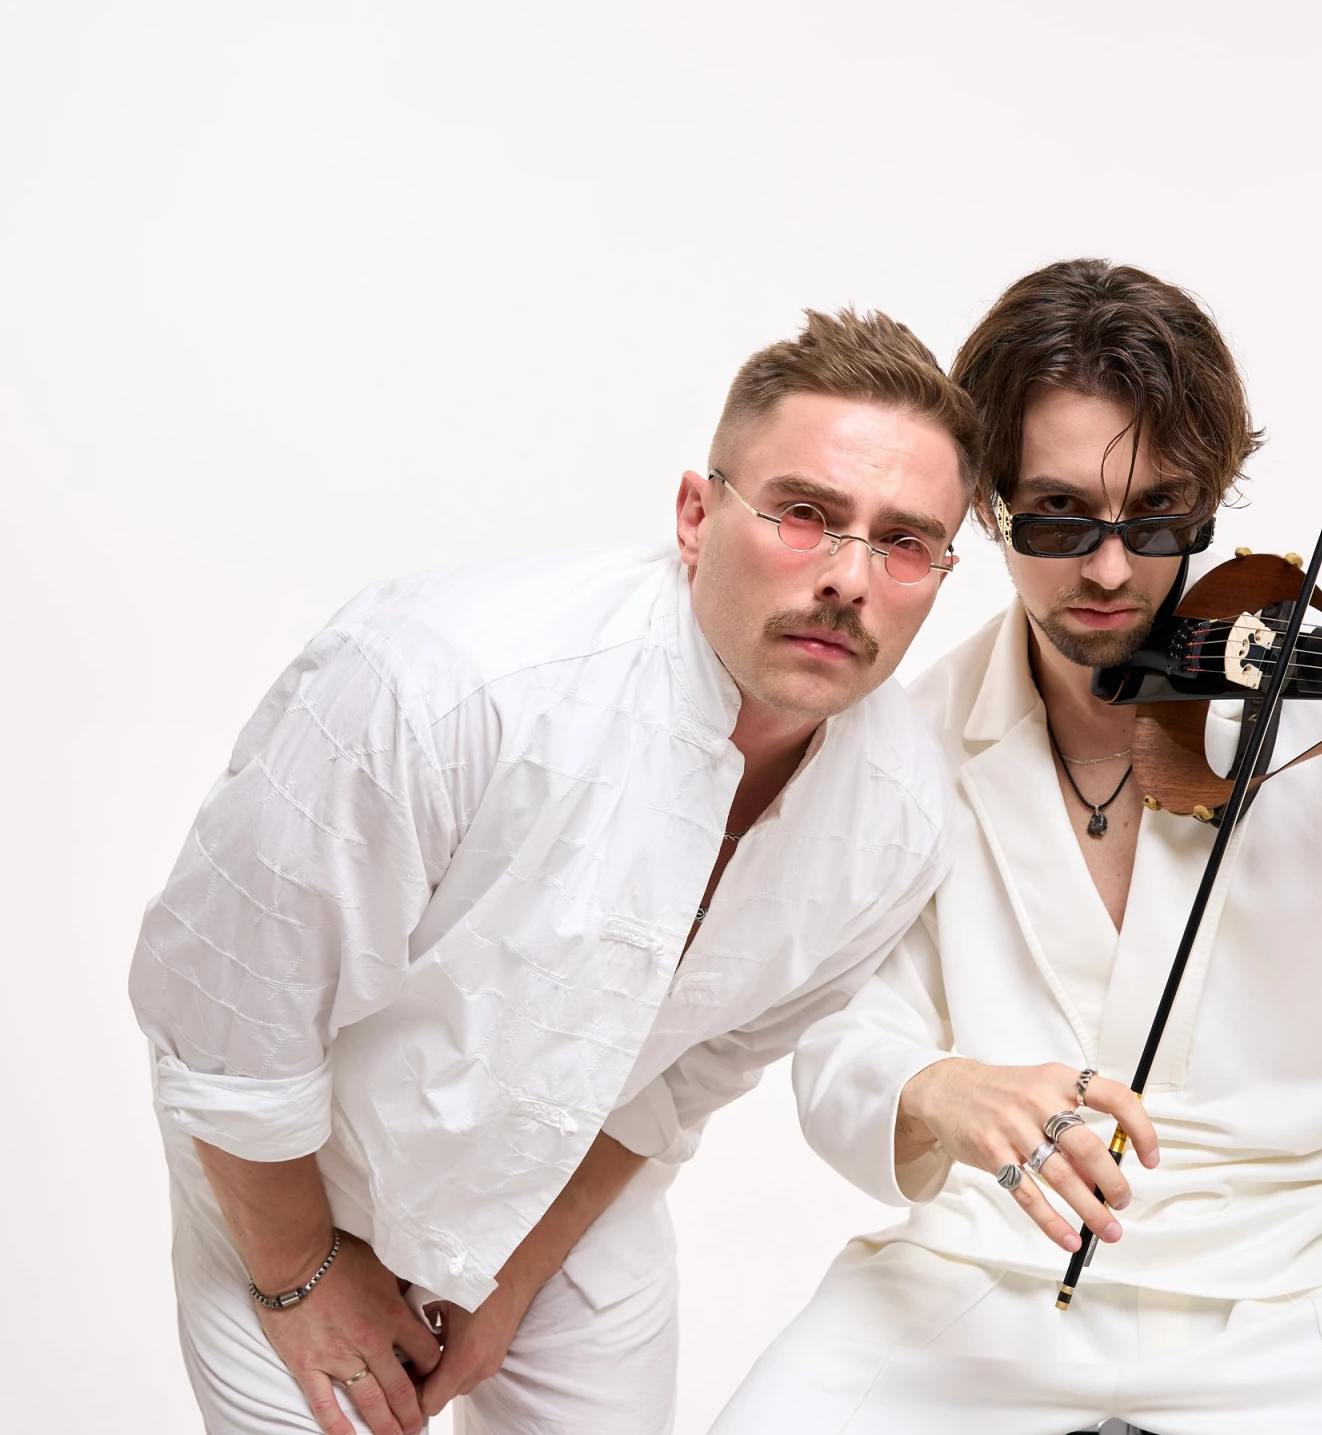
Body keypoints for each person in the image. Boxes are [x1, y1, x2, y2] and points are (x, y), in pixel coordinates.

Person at [712, 258, 1322, 1435]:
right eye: (1059, 516)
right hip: (980, 1273)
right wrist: (943, 1089)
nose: (1111, 569)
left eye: (1157, 517)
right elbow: (844, 1037)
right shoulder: (909, 738)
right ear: (987, 505)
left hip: (1307, 1289)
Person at [128, 309, 977, 1435]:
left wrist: (515, 1278)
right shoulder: (441, 681)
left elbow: (686, 1075)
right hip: (291, 1179)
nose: (849, 578)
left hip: (564, 1189)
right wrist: (300, 1276)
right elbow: (227, 1023)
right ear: (696, 514)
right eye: (804, 515)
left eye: (905, 541)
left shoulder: (903, 821)